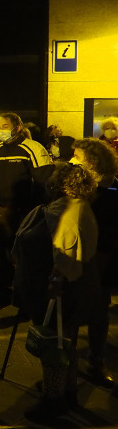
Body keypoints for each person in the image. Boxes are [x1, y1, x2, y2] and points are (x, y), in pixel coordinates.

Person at [23, 162, 100, 424]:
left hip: (64, 286)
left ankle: (52, 400)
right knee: (67, 341)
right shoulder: (83, 205)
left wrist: (55, 284)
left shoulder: (64, 210)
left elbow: (64, 251)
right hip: (81, 284)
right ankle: (69, 391)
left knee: (54, 345)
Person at [0, 112, 54, 310]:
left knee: (25, 256)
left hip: (25, 212)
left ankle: (25, 297)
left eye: (6, 126)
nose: (2, 130)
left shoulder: (33, 148)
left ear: (17, 127)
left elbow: (45, 182)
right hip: (1, 211)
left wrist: (37, 211)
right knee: (4, 253)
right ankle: (4, 291)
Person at [69, 139, 118, 388]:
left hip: (101, 259)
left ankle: (95, 362)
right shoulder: (83, 185)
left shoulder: (109, 189)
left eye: (77, 156)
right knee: (77, 310)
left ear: (92, 160)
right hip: (83, 256)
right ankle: (71, 362)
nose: (73, 160)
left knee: (97, 312)